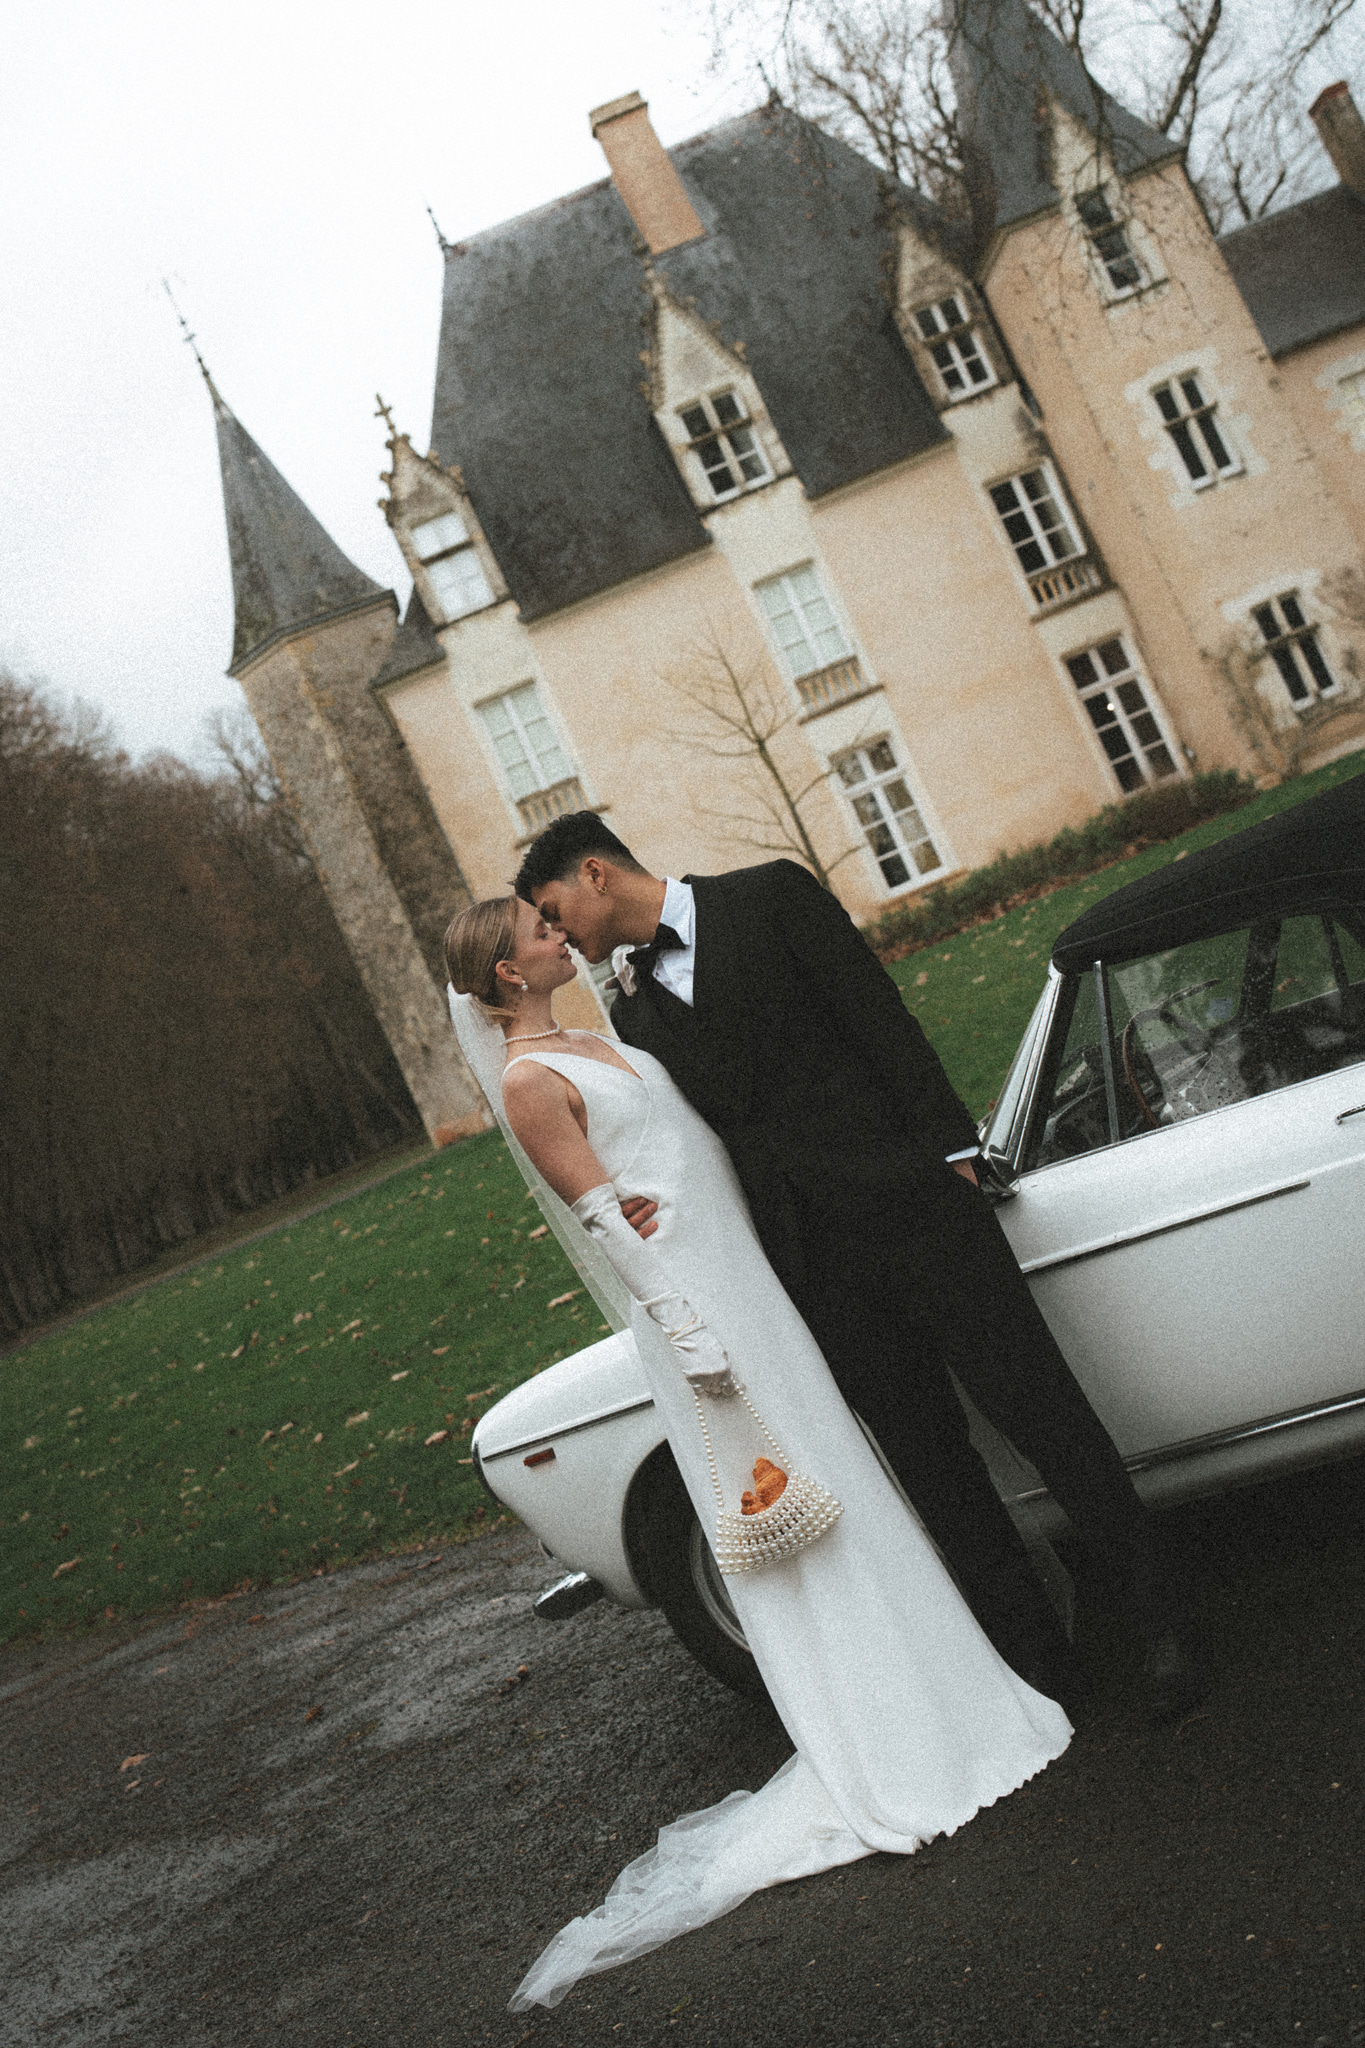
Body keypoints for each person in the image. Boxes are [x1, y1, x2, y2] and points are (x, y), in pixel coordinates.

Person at [445, 893, 1072, 2011]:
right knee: (799, 1513)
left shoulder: (598, 1035)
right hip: (708, 1315)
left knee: (851, 1478)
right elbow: (603, 1220)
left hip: (755, 1280)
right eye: (537, 933)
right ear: (505, 975)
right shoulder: (533, 1082)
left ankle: (951, 1685)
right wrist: (695, 1344)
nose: (558, 934)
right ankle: (882, 1740)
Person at [513, 814, 1201, 1719]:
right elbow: (684, 1137)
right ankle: (1039, 1673)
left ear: (594, 873)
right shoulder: (634, 1012)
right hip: (813, 1266)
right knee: (933, 1468)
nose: (556, 933)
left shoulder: (768, 897)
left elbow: (879, 1018)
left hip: (919, 1211)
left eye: (554, 908)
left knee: (1044, 1414)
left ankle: (1160, 1626)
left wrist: (953, 1154)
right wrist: (640, 1199)